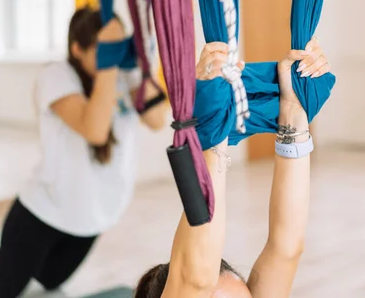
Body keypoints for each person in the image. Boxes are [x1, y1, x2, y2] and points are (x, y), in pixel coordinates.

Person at [0, 7, 168, 298]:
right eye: (105, 47)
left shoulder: (122, 75)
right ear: (77, 49)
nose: (115, 54)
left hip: (91, 217)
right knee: (4, 289)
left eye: (118, 47)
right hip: (43, 211)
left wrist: (138, 67)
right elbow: (95, 130)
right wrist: (111, 62)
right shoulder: (56, 76)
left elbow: (157, 120)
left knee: (49, 280)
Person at [136, 37, 331, 298]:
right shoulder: (194, 280)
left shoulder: (194, 279)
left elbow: (196, 278)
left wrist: (214, 125)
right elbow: (288, 249)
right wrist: (293, 115)